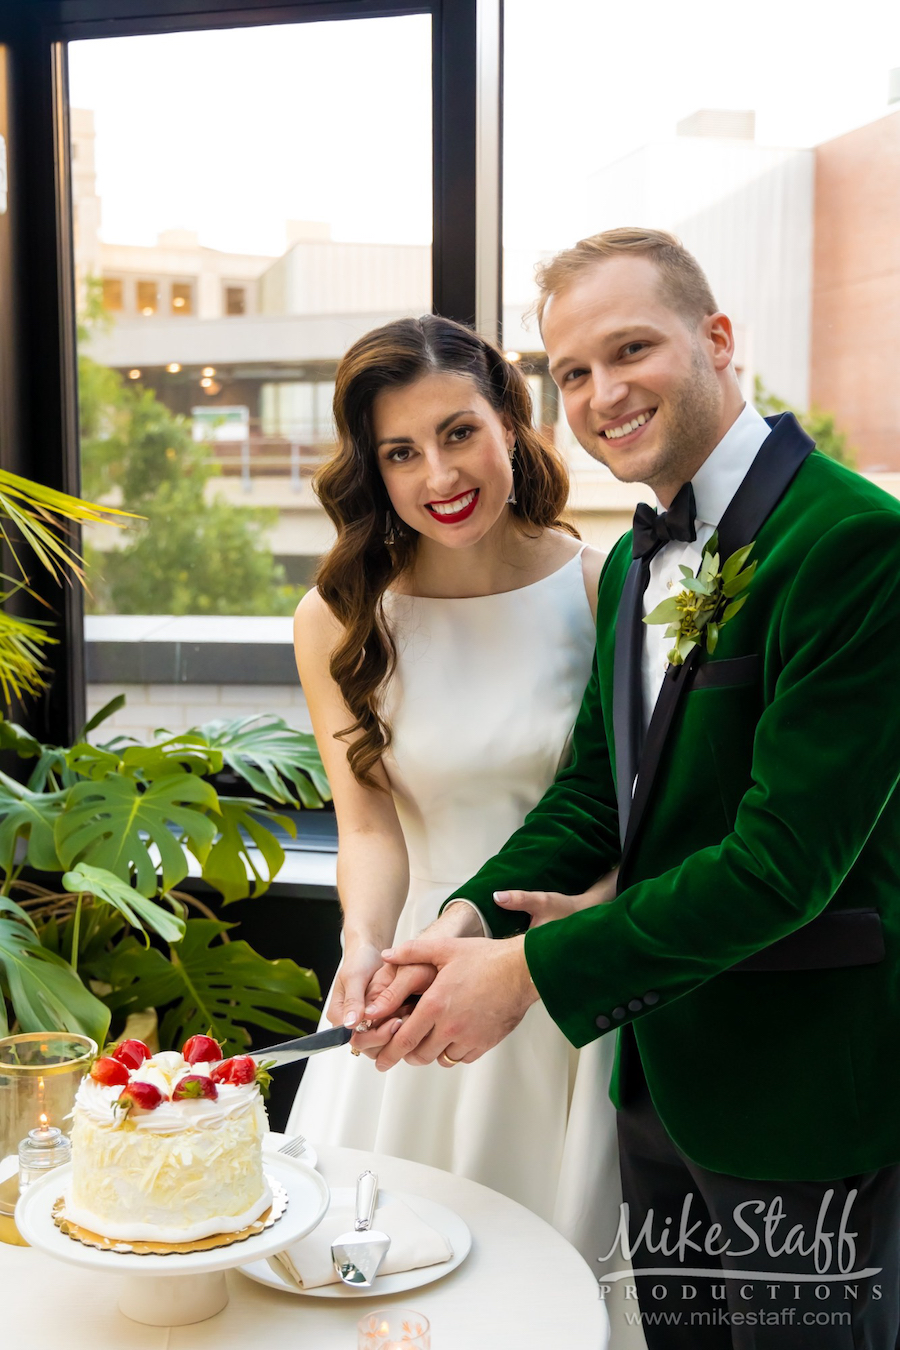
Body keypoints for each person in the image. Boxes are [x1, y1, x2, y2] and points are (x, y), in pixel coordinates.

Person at [359, 228, 900, 1349]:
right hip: (653, 1088)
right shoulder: (634, 557)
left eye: (631, 349)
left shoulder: (858, 544)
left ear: (716, 340)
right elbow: (593, 800)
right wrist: (463, 920)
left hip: (801, 1099)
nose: (604, 393)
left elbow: (780, 867)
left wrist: (524, 972)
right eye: (572, 371)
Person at [285, 314, 632, 1284]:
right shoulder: (338, 620)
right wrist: (363, 946)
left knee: (547, 1287)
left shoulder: (602, 589)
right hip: (410, 976)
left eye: (458, 433)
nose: (438, 476)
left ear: (511, 424)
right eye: (400, 452)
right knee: (385, 1277)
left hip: (554, 982)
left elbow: (614, 810)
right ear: (372, 468)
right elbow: (368, 827)